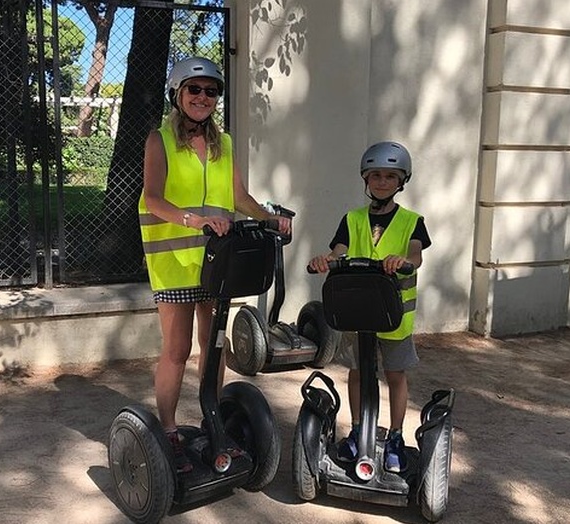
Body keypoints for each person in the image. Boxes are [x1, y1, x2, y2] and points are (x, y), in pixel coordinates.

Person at [138, 56, 292, 473]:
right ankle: (169, 431)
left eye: (211, 91)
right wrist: (196, 220)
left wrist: (268, 217)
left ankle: (212, 420)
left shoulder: (224, 144)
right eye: (195, 89)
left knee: (215, 346)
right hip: (173, 261)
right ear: (178, 94)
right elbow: (153, 198)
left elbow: (239, 197)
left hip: (214, 260)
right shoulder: (160, 140)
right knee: (177, 349)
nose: (203, 97)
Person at [308, 141, 430, 473]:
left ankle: (394, 435)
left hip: (394, 319)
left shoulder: (411, 222)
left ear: (401, 181)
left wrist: (403, 259)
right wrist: (326, 259)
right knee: (358, 372)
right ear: (365, 178)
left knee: (395, 374)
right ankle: (359, 428)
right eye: (375, 175)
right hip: (358, 314)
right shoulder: (352, 219)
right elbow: (338, 251)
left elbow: (416, 255)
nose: (381, 182)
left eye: (390, 176)